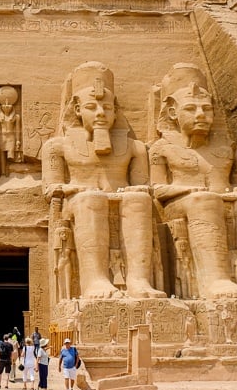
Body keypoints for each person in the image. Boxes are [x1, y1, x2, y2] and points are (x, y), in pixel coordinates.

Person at [149, 63, 237, 300]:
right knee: (204, 200)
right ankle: (215, 280)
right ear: (173, 113)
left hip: (218, 199)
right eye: (191, 109)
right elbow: (157, 189)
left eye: (207, 109)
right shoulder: (161, 147)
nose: (201, 115)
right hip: (181, 206)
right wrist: (187, 189)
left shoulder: (230, 149)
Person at [43, 61, 164, 299]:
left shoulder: (134, 147)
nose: (100, 113)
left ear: (116, 111)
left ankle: (139, 280)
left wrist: (133, 191)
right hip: (78, 204)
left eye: (107, 108)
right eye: (92, 107)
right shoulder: (57, 146)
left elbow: (144, 186)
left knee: (138, 200)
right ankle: (94, 281)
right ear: (77, 110)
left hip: (120, 199)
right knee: (91, 198)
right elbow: (50, 188)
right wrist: (72, 188)